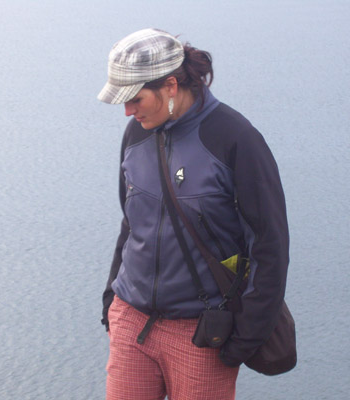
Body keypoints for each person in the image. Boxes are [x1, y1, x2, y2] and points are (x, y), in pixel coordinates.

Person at [97, 28, 290, 400]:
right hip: (131, 321)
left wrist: (245, 337)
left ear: (170, 85)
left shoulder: (234, 138)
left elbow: (270, 245)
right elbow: (132, 221)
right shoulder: (137, 133)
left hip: (201, 333)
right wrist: (112, 300)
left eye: (135, 99)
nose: (128, 111)